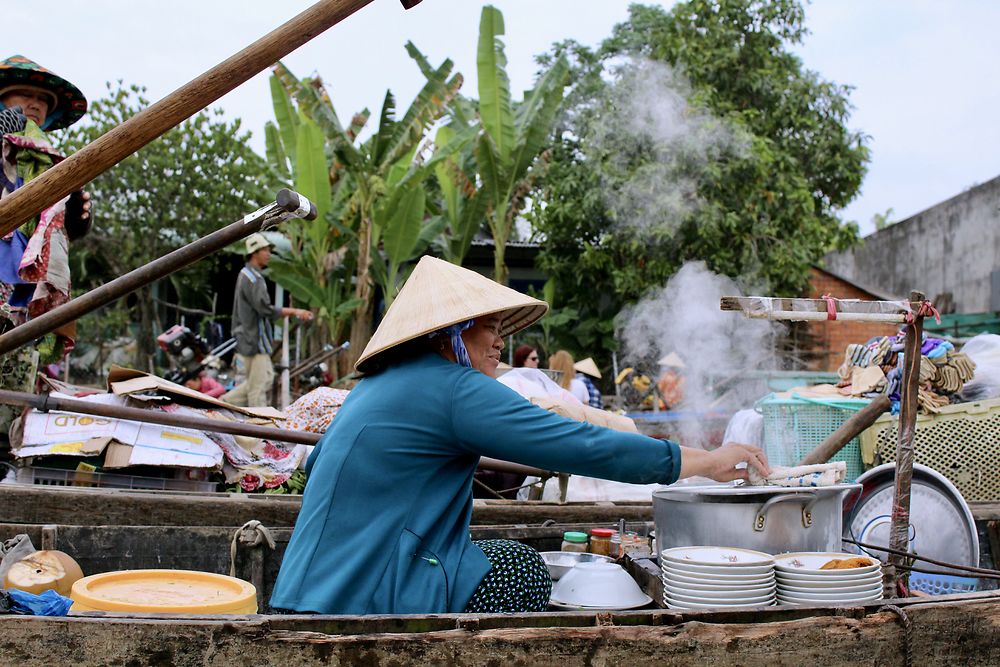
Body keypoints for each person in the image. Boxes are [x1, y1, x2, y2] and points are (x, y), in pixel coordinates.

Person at [270, 255, 769, 615]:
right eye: (487, 324)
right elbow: (580, 445)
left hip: (303, 588)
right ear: (450, 335)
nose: (500, 337)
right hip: (367, 596)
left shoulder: (373, 387)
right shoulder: (453, 388)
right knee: (522, 570)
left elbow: (317, 468)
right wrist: (703, 461)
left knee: (503, 555)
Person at [0, 56, 91, 432]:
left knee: (16, 367)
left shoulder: (50, 162)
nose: (36, 104)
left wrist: (75, 214)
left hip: (24, 277)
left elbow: (65, 227)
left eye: (43, 100)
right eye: (26, 96)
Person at [221, 233, 313, 407]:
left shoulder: (246, 274)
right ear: (254, 252)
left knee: (266, 377)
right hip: (254, 340)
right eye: (265, 250)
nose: (269, 253)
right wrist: (295, 311)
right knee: (258, 389)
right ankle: (256, 431)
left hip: (248, 338)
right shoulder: (253, 279)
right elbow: (266, 309)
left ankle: (224, 401)